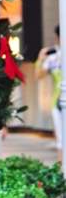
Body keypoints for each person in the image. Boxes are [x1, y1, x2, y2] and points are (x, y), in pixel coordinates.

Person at [36, 26, 61, 154]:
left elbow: (38, 75)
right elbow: (39, 75)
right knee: (61, 142)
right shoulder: (54, 57)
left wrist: (40, 59)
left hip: (58, 102)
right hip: (58, 102)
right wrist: (41, 59)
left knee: (61, 143)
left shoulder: (54, 57)